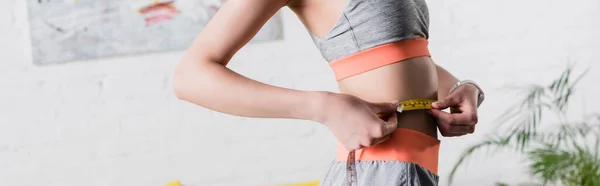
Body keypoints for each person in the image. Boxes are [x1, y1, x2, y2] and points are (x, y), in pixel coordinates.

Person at [172, 0, 485, 185]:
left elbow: (390, 57)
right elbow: (190, 77)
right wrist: (323, 106)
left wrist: (459, 87)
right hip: (377, 169)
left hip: (414, 168)